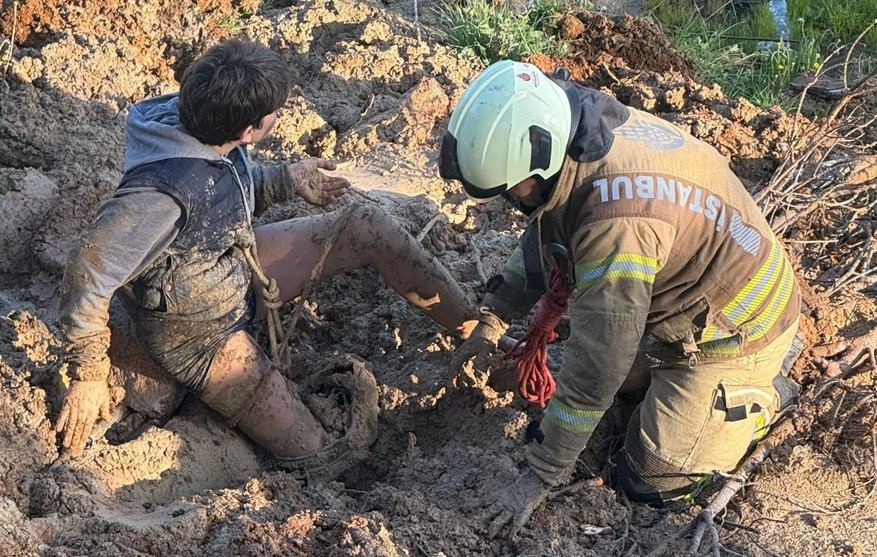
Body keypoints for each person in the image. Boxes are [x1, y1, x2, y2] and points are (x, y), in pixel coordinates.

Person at [56, 39, 478, 476]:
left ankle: (476, 328)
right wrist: (87, 373)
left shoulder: (200, 122)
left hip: (228, 265)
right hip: (195, 335)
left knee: (366, 226)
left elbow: (217, 183)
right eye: (274, 112)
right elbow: (88, 273)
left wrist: (281, 180)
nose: (279, 115)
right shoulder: (155, 196)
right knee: (322, 455)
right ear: (245, 131)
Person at [441, 60, 802, 535]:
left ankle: (764, 396)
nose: (511, 201)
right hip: (675, 309)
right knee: (575, 403)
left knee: (650, 484)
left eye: (512, 190)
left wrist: (540, 475)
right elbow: (549, 232)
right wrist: (494, 315)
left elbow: (599, 365)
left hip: (736, 334)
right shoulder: (575, 124)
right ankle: (667, 388)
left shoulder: (615, 220)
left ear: (540, 156)